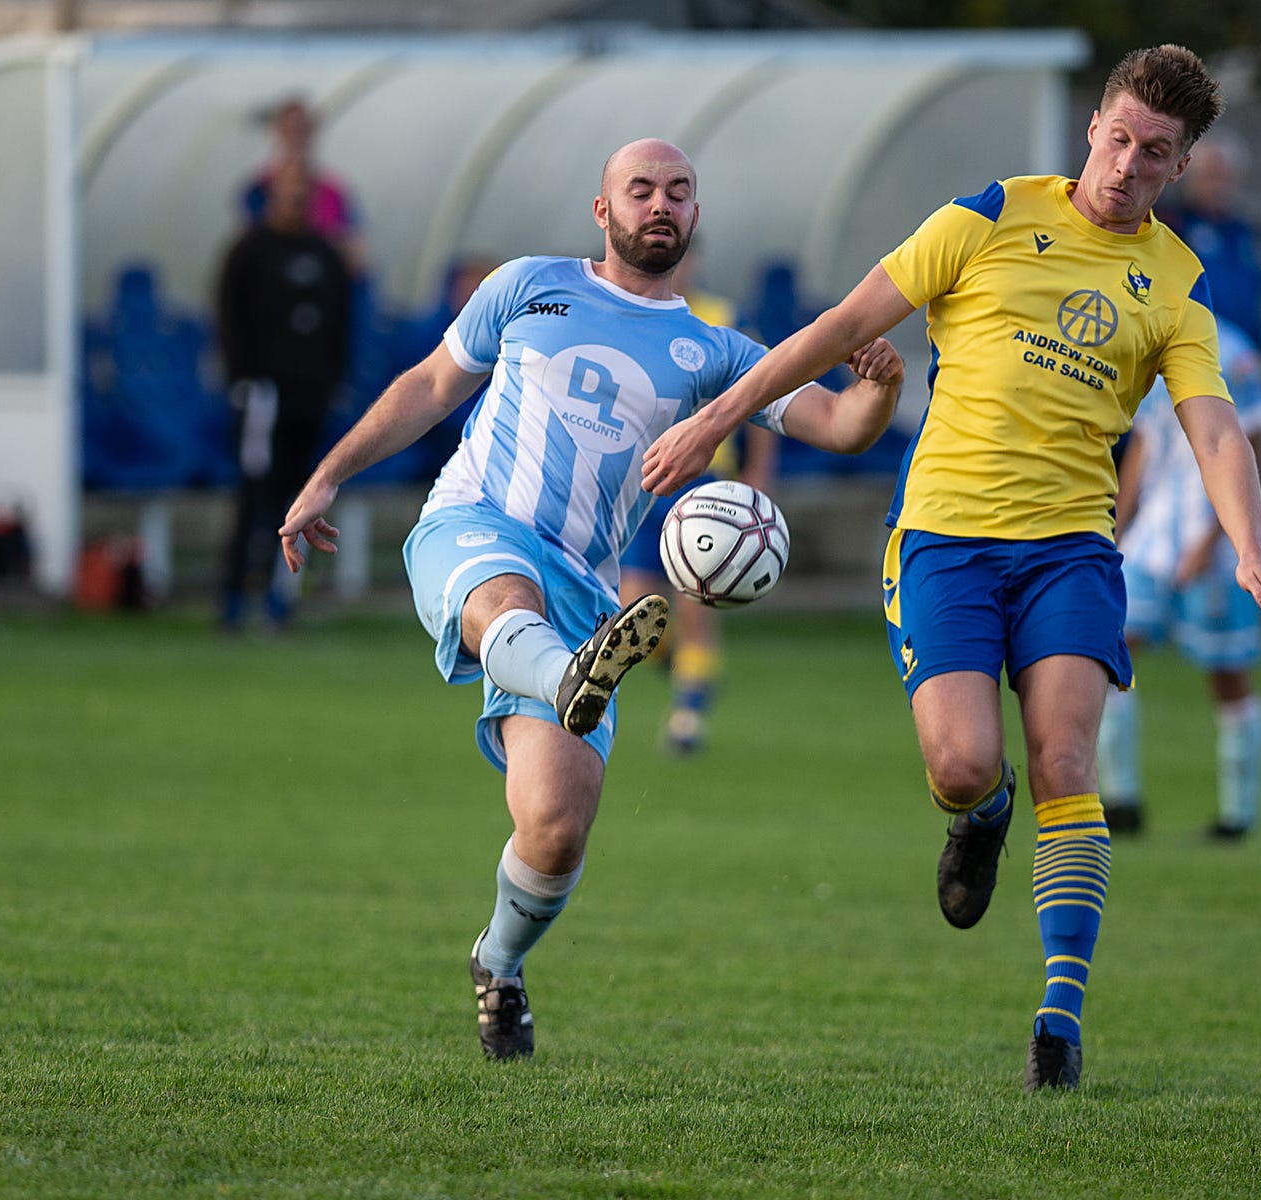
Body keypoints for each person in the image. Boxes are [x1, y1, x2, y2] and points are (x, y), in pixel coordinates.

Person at [643, 46, 1261, 1092]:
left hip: (1072, 550)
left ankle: (1058, 1019)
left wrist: (1253, 551)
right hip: (944, 539)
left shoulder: (1175, 281)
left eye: (1156, 153)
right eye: (1120, 138)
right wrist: (714, 419)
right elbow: (840, 329)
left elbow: (1214, 431)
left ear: (1181, 166)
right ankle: (980, 817)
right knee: (960, 766)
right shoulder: (988, 215)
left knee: (1069, 763)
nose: (1128, 165)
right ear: (1093, 126)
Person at [277, 138, 903, 1063]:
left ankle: (499, 963)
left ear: (695, 216)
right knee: (502, 597)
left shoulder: (718, 351)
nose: (661, 204)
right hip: (476, 523)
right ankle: (570, 672)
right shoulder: (527, 285)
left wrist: (881, 387)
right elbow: (427, 388)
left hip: (584, 588)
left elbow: (842, 427)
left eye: (679, 192)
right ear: (601, 212)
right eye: (640, 190)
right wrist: (328, 476)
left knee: (556, 827)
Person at [1098, 319, 1261, 841]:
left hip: (1214, 546)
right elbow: (1143, 445)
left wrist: (1220, 538)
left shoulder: (1235, 350)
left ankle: (1238, 815)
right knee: (1110, 658)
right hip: (1151, 541)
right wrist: (1118, 525)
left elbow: (1253, 446)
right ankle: (1121, 800)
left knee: (1228, 675)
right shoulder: (1148, 334)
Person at [617, 240, 779, 754]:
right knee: (632, 614)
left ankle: (688, 715)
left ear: (695, 261)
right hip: (642, 483)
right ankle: (688, 672)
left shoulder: (722, 319)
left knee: (693, 607)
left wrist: (757, 474)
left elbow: (765, 399)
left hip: (706, 487)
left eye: (685, 258)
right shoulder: (628, 318)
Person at [215, 162, 354, 632]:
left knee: (303, 495)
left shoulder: (326, 256)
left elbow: (341, 322)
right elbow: (229, 319)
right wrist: (242, 378)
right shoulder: (248, 252)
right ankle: (234, 596)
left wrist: (334, 379)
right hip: (263, 397)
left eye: (304, 198)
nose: (297, 206)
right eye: (289, 196)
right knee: (257, 492)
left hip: (310, 397)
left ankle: (281, 597)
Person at [1163, 132, 1261, 352]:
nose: (1219, 186)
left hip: (1243, 354)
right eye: (1212, 176)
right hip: (1191, 349)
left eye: (1227, 177)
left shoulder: (1243, 234)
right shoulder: (1171, 227)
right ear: (1188, 175)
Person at [241, 96, 364, 270]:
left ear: (313, 133)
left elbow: (356, 257)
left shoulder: (334, 193)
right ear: (277, 133)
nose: (295, 137)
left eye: (302, 129)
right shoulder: (257, 190)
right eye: (288, 130)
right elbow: (249, 253)